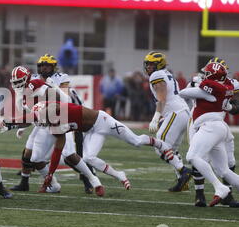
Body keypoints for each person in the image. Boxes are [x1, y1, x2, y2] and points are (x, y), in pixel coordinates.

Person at [30, 101, 177, 193]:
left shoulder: (56, 109)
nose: (46, 125)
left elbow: (55, 105)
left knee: (136, 141)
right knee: (88, 157)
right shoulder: (54, 125)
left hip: (103, 121)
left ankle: (163, 146)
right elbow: (57, 150)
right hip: (92, 132)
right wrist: (50, 174)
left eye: (44, 120)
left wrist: (46, 111)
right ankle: (120, 175)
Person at [7, 59, 104, 195]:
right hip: (43, 124)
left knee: (70, 154)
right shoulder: (23, 91)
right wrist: (21, 126)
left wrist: (55, 94)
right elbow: (30, 114)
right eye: (15, 83)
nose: (17, 86)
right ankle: (50, 185)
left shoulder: (43, 84)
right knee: (34, 157)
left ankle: (93, 180)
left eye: (19, 82)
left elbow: (65, 100)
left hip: (60, 118)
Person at [178, 61, 239, 207]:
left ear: (212, 76)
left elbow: (182, 92)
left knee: (192, 156)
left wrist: (197, 83)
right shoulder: (225, 86)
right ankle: (221, 187)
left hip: (209, 126)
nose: (204, 75)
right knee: (223, 170)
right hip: (218, 127)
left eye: (206, 73)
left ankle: (220, 187)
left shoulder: (210, 89)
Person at [144, 51, 192, 192]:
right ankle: (182, 181)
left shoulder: (157, 75)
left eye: (151, 64)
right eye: (147, 64)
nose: (148, 67)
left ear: (159, 65)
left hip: (175, 112)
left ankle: (183, 171)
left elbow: (162, 98)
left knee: (160, 146)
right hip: (182, 112)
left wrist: (155, 118)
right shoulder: (166, 74)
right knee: (172, 149)